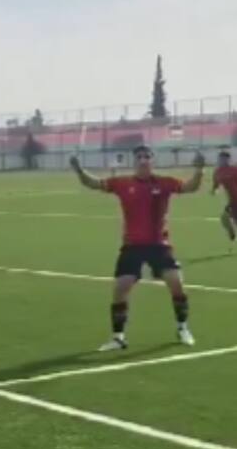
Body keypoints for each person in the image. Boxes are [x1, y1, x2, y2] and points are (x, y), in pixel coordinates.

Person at [69, 145, 205, 351]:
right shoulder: (122, 183)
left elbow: (190, 187)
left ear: (152, 160)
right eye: (139, 156)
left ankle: (182, 328)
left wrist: (199, 170)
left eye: (147, 156)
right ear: (134, 161)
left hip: (159, 244)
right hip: (132, 246)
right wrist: (79, 170)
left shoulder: (165, 182)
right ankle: (118, 337)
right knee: (121, 288)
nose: (143, 159)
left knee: (176, 283)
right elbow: (94, 183)